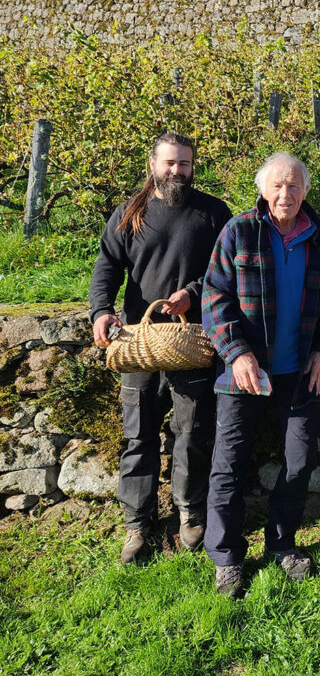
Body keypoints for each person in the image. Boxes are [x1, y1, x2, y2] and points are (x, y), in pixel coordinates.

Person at [201, 151, 320, 597]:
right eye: (278, 186)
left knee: (300, 462)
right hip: (243, 371)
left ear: (306, 190)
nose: (286, 194)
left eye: (295, 185)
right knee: (228, 465)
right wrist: (238, 354)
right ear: (264, 190)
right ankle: (226, 557)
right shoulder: (240, 230)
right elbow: (214, 298)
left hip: (300, 372)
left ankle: (283, 544)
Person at [90, 131, 232, 565]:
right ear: (153, 164)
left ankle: (189, 512)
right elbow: (107, 267)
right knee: (138, 435)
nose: (177, 171)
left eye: (184, 164)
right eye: (170, 163)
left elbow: (225, 270)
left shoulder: (212, 212)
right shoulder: (128, 213)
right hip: (138, 342)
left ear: (193, 166)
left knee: (191, 432)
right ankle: (137, 523)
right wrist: (101, 312)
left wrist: (192, 293)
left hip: (192, 342)